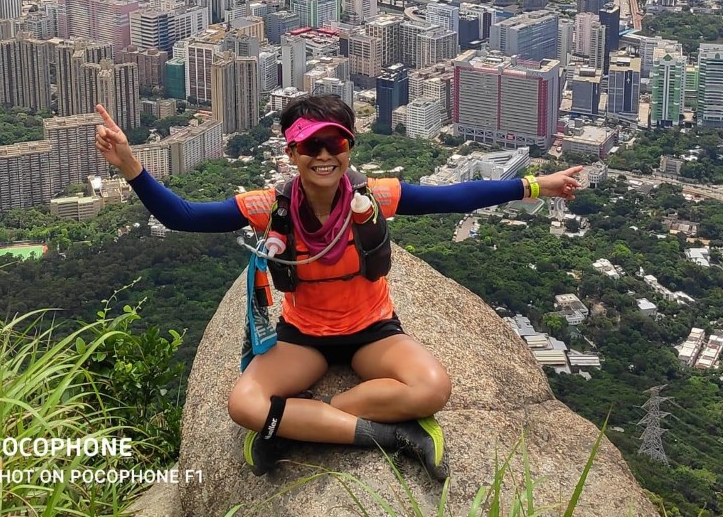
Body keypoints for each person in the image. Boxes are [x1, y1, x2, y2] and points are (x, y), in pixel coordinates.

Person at [94, 95, 581, 481]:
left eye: (335, 143)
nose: (324, 156)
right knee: (242, 404)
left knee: (434, 388)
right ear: (292, 153)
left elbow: (456, 197)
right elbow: (184, 216)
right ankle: (391, 437)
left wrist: (537, 186)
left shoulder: (374, 198)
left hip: (373, 331)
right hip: (304, 338)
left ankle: (301, 424)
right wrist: (130, 167)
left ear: (349, 147)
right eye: (311, 146)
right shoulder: (271, 206)